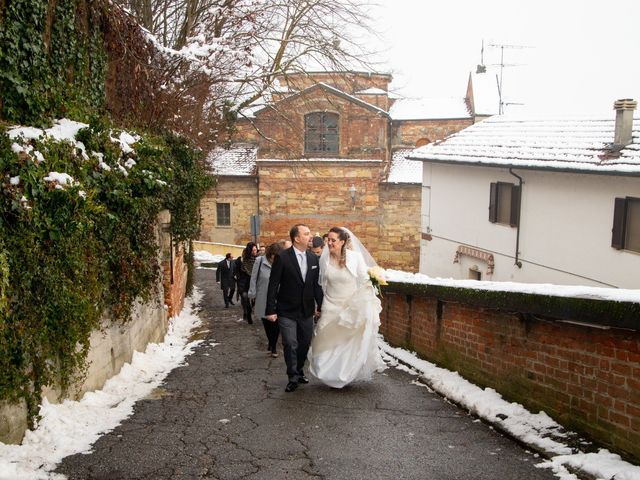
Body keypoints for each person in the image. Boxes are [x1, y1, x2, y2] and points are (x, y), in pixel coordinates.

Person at [308, 227, 385, 388]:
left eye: (333, 240)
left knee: (346, 342)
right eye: (328, 240)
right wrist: (321, 304)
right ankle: (327, 374)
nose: (329, 243)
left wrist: (367, 297)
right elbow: (322, 283)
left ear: (342, 242)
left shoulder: (355, 258)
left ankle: (342, 375)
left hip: (349, 305)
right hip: (330, 304)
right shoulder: (324, 257)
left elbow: (364, 279)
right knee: (324, 338)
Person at [265, 224, 323, 392]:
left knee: (305, 343)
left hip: (306, 310)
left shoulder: (313, 259)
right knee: (290, 343)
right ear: (297, 238)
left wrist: (321, 305)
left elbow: (315, 286)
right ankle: (292, 376)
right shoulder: (282, 257)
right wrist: (270, 310)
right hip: (286, 310)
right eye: (306, 234)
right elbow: (273, 284)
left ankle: (299, 370)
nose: (310, 236)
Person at [249, 243, 283, 357]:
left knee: (275, 322)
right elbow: (253, 278)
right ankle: (271, 341)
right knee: (266, 321)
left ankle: (273, 347)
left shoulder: (282, 262)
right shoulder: (260, 261)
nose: (274, 258)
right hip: (263, 295)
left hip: (278, 296)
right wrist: (252, 293)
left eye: (277, 256)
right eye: (273, 255)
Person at [236, 242, 258, 324]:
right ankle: (248, 314)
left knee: (255, 300)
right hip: (244, 283)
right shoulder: (242, 260)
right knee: (245, 299)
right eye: (253, 250)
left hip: (255, 283)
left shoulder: (258, 259)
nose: (255, 251)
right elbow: (237, 272)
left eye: (256, 250)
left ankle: (250, 310)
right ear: (249, 251)